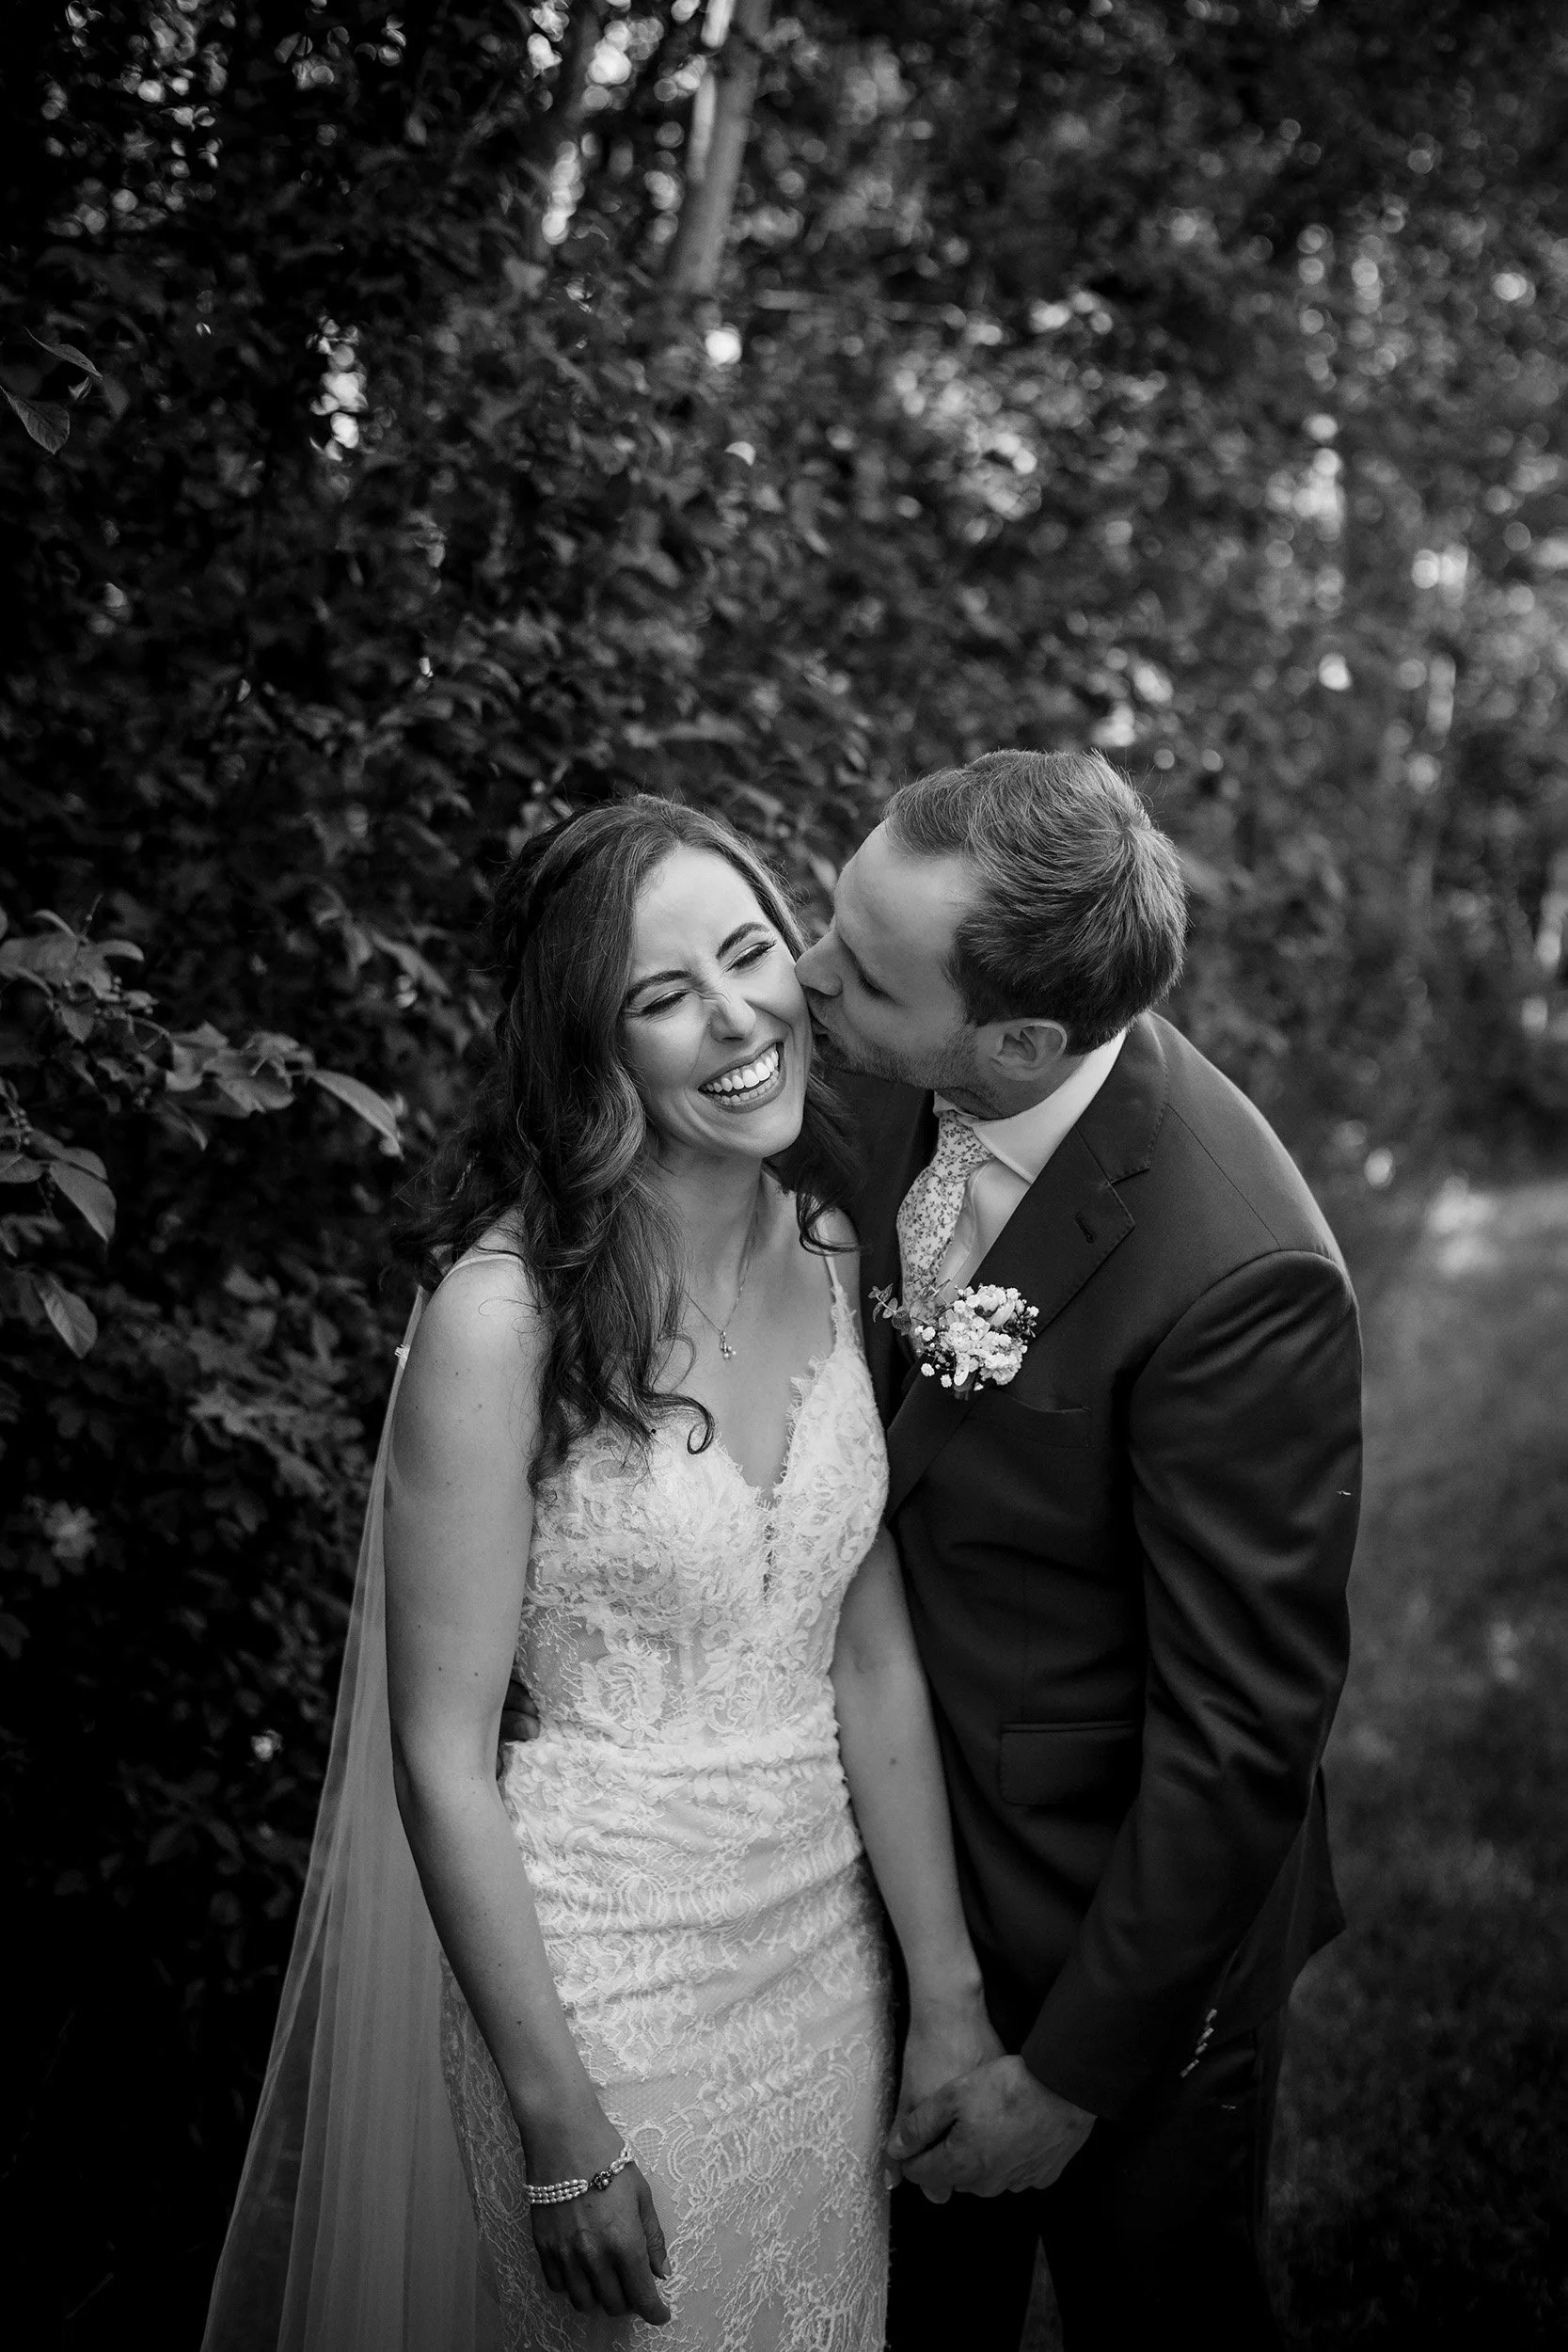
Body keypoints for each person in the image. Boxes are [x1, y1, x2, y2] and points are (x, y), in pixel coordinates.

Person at [201, 798, 997, 2352]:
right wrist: (559, 2130)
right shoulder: (502, 1321)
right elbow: (439, 1755)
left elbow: (869, 1656)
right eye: (660, 997)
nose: (735, 1017)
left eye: (751, 954)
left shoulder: (839, 1246)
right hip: (597, 1978)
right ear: (592, 1048)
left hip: (824, 1961)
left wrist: (949, 1996)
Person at [793, 748, 1362, 2352]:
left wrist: (1064, 2080)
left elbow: (1240, 1735)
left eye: (861, 970)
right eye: (834, 919)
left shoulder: (1235, 1275)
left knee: (1156, 2314)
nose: (807, 976)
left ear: (1019, 1040)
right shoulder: (895, 1051)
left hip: (1115, 1933)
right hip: (885, 1873)